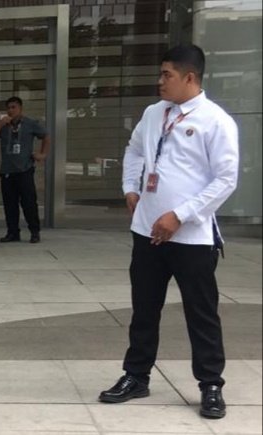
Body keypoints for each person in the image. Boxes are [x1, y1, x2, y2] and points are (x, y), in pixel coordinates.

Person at [98, 44, 238, 420]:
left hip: (191, 238)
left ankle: (210, 385)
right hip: (146, 232)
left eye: (167, 75)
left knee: (201, 312)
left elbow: (226, 179)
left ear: (189, 77)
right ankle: (136, 375)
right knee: (144, 309)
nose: (159, 82)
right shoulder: (153, 113)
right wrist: (131, 187)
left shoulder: (215, 120)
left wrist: (180, 214)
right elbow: (135, 151)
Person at [0, 96, 50, 244]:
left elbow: (46, 136)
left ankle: (34, 231)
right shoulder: (4, 125)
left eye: (14, 107)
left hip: (24, 170)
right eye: (8, 108)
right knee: (9, 204)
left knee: (29, 203)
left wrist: (42, 154)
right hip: (7, 170)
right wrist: (0, 124)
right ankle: (13, 232)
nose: (10, 110)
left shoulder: (30, 124)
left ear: (20, 109)